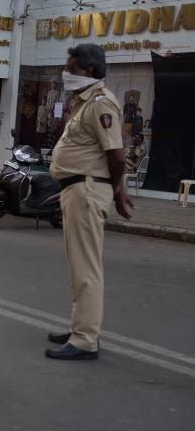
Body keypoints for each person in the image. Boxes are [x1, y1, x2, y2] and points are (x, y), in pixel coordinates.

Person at [47, 43, 134, 361]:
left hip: (87, 191)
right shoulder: (84, 102)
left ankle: (85, 340)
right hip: (77, 189)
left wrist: (119, 191)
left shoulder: (100, 103)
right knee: (78, 267)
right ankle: (79, 328)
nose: (65, 73)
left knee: (86, 268)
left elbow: (117, 156)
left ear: (88, 70)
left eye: (70, 68)